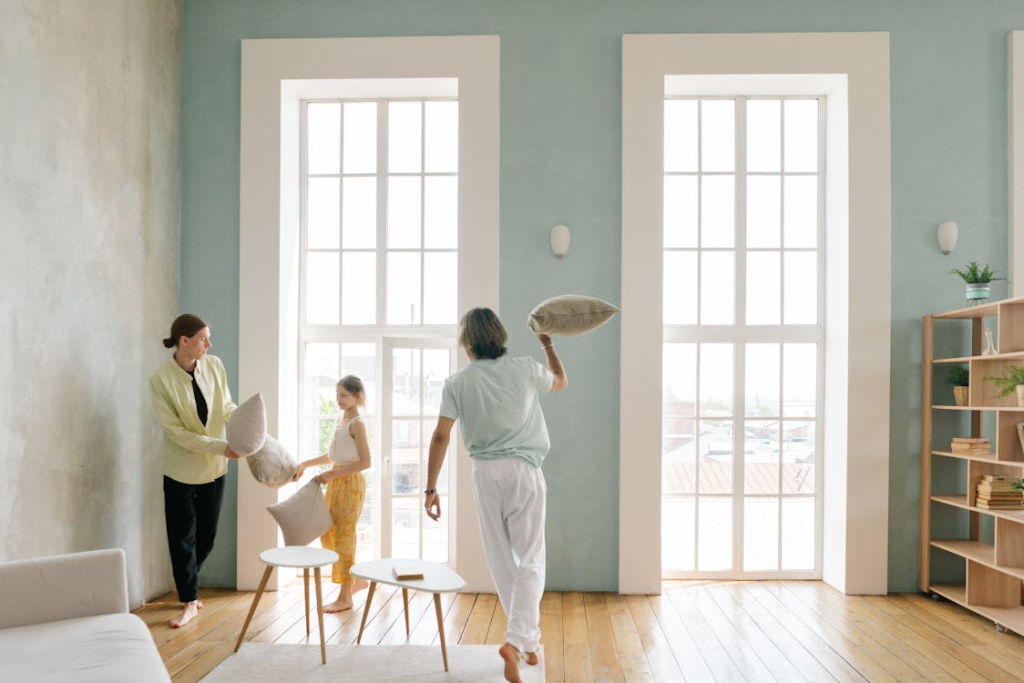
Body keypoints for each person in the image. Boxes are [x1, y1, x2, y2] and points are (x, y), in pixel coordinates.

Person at [425, 308, 567, 683]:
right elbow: (561, 382)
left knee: (501, 557)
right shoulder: (523, 368)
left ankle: (527, 641)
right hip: (523, 470)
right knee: (531, 556)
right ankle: (517, 641)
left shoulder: (456, 381)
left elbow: (440, 436)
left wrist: (430, 488)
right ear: (499, 336)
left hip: (484, 474)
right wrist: (548, 345)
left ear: (467, 342)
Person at [150, 314, 241, 628]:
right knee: (181, 537)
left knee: (207, 537)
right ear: (184, 340)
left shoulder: (214, 365)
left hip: (215, 468)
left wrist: (245, 420)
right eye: (203, 338)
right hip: (180, 471)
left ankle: (184, 579)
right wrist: (221, 446)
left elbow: (227, 406)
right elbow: (176, 432)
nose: (209, 344)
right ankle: (189, 600)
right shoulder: (161, 380)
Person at [295, 375, 371, 612]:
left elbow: (365, 462)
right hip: (337, 482)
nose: (338, 399)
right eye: (337, 394)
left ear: (357, 396)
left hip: (350, 484)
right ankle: (356, 580)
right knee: (328, 533)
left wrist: (332, 475)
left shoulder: (357, 423)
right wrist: (306, 464)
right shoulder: (342, 420)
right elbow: (334, 456)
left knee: (344, 537)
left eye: (343, 395)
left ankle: (345, 596)